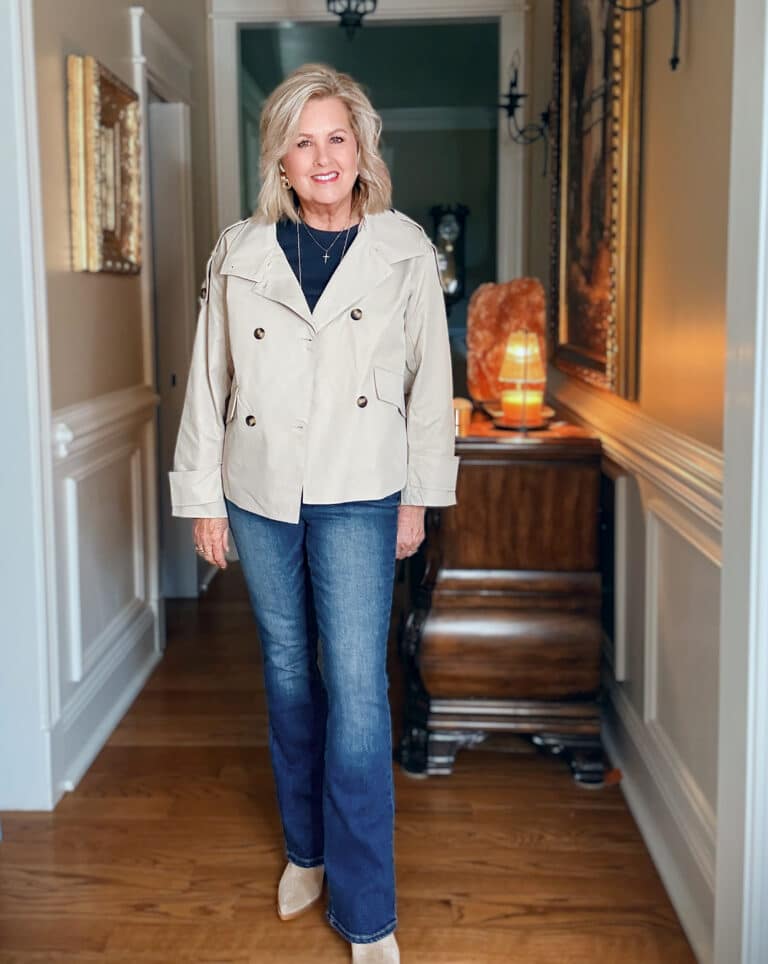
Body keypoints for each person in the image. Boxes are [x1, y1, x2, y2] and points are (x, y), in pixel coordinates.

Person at [169, 63, 459, 963]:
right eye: (304, 141)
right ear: (281, 159)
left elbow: (430, 387)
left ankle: (367, 910)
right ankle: (306, 850)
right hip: (260, 491)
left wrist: (418, 497)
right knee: (291, 674)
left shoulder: (405, 249)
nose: (323, 156)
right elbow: (210, 381)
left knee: (360, 693)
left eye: (338, 137)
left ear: (362, 149)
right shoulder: (240, 250)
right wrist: (203, 499)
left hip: (363, 490)